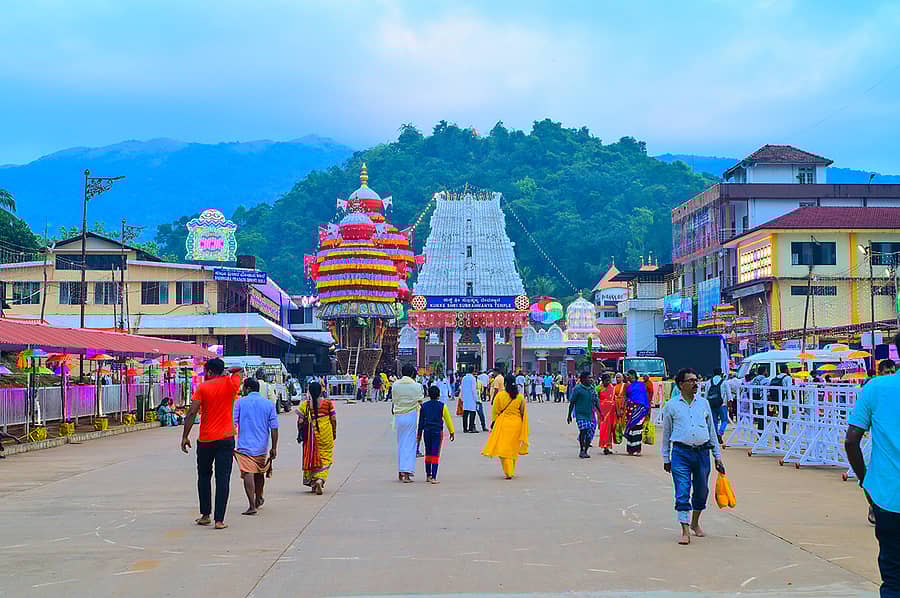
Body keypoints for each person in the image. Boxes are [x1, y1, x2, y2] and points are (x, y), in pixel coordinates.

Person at [846, 335, 900, 597]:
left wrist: (865, 482)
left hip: (888, 498)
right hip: (886, 496)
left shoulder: (876, 388)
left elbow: (851, 440)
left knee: (893, 580)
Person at [661, 368, 725, 546]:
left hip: (703, 453)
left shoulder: (703, 404)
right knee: (682, 490)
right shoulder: (671, 406)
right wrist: (666, 458)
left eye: (696, 380)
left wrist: (717, 457)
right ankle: (684, 529)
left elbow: (711, 431)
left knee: (702, 490)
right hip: (681, 453)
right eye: (690, 380)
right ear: (681, 384)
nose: (695, 383)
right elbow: (666, 435)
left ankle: (695, 522)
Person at [181, 358, 242, 530]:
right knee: (223, 478)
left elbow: (192, 412)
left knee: (204, 476)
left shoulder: (202, 388)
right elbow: (239, 370)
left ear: (208, 372)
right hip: (226, 438)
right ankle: (219, 520)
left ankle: (205, 515)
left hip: (206, 439)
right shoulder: (231, 384)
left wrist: (185, 436)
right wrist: (226, 371)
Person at [233, 378, 278, 515]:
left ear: (247, 389)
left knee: (248, 473)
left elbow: (233, 423)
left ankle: (252, 505)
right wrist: (274, 447)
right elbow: (274, 428)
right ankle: (258, 497)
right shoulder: (268, 404)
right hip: (261, 446)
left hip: (244, 446)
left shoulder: (239, 403)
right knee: (259, 473)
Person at [482, 374, 530, 479]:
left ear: (505, 383)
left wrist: (494, 422)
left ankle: (509, 472)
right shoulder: (520, 397)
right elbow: (523, 413)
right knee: (513, 449)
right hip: (516, 425)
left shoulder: (500, 396)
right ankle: (511, 469)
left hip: (503, 424)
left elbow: (495, 411)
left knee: (503, 449)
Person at [296, 381, 335, 495]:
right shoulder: (328, 403)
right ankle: (320, 479)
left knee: (312, 456)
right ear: (321, 391)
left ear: (309, 391)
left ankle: (313, 482)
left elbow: (300, 421)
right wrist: (334, 432)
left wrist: (300, 432)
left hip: (311, 436)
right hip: (326, 434)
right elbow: (333, 420)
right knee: (326, 458)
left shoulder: (305, 404)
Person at [417, 385, 456, 483]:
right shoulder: (442, 406)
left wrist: (419, 434)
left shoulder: (424, 406)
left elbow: (421, 422)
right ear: (439, 395)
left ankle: (428, 475)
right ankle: (434, 477)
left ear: (429, 395)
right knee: (435, 453)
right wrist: (452, 432)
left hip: (426, 431)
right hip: (437, 432)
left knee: (428, 452)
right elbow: (448, 420)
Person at [392, 364, 421, 483]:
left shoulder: (395, 385)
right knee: (409, 444)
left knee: (401, 443)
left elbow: (394, 400)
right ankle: (406, 473)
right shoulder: (417, 386)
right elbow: (420, 399)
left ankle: (400, 471)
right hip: (411, 415)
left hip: (399, 416)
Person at [568, 372, 600, 458]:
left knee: (590, 433)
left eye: (592, 378)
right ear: (583, 379)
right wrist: (569, 415)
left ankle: (586, 450)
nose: (591, 380)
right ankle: (582, 450)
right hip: (581, 414)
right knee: (583, 431)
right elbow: (572, 402)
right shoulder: (577, 389)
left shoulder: (592, 388)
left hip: (590, 414)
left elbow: (596, 400)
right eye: (589, 378)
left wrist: (601, 412)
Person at [623, 370, 650, 455]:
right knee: (631, 428)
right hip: (630, 409)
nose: (628, 377)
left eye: (629, 375)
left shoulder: (641, 385)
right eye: (627, 375)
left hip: (640, 409)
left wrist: (647, 408)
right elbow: (626, 396)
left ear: (634, 376)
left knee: (637, 428)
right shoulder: (628, 386)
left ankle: (637, 449)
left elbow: (644, 396)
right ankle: (630, 449)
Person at [704, 367, 732, 446]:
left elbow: (706, 395)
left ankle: (715, 436)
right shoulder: (724, 382)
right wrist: (730, 405)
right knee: (724, 420)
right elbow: (729, 395)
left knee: (714, 422)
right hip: (722, 404)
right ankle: (721, 432)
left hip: (711, 404)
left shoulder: (709, 382)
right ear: (721, 373)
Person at [596, 373, 616, 454]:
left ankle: (607, 446)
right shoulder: (598, 388)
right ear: (602, 380)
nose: (608, 382)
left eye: (609, 380)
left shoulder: (612, 388)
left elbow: (614, 398)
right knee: (604, 429)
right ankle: (604, 446)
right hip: (602, 412)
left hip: (611, 412)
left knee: (610, 430)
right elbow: (595, 399)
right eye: (606, 380)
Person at [461, 366, 479, 433]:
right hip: (471, 398)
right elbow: (473, 389)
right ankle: (471, 428)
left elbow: (462, 388)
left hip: (465, 398)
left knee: (465, 414)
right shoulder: (473, 378)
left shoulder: (464, 378)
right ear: (473, 371)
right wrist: (476, 399)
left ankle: (465, 428)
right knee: (472, 413)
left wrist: (462, 397)